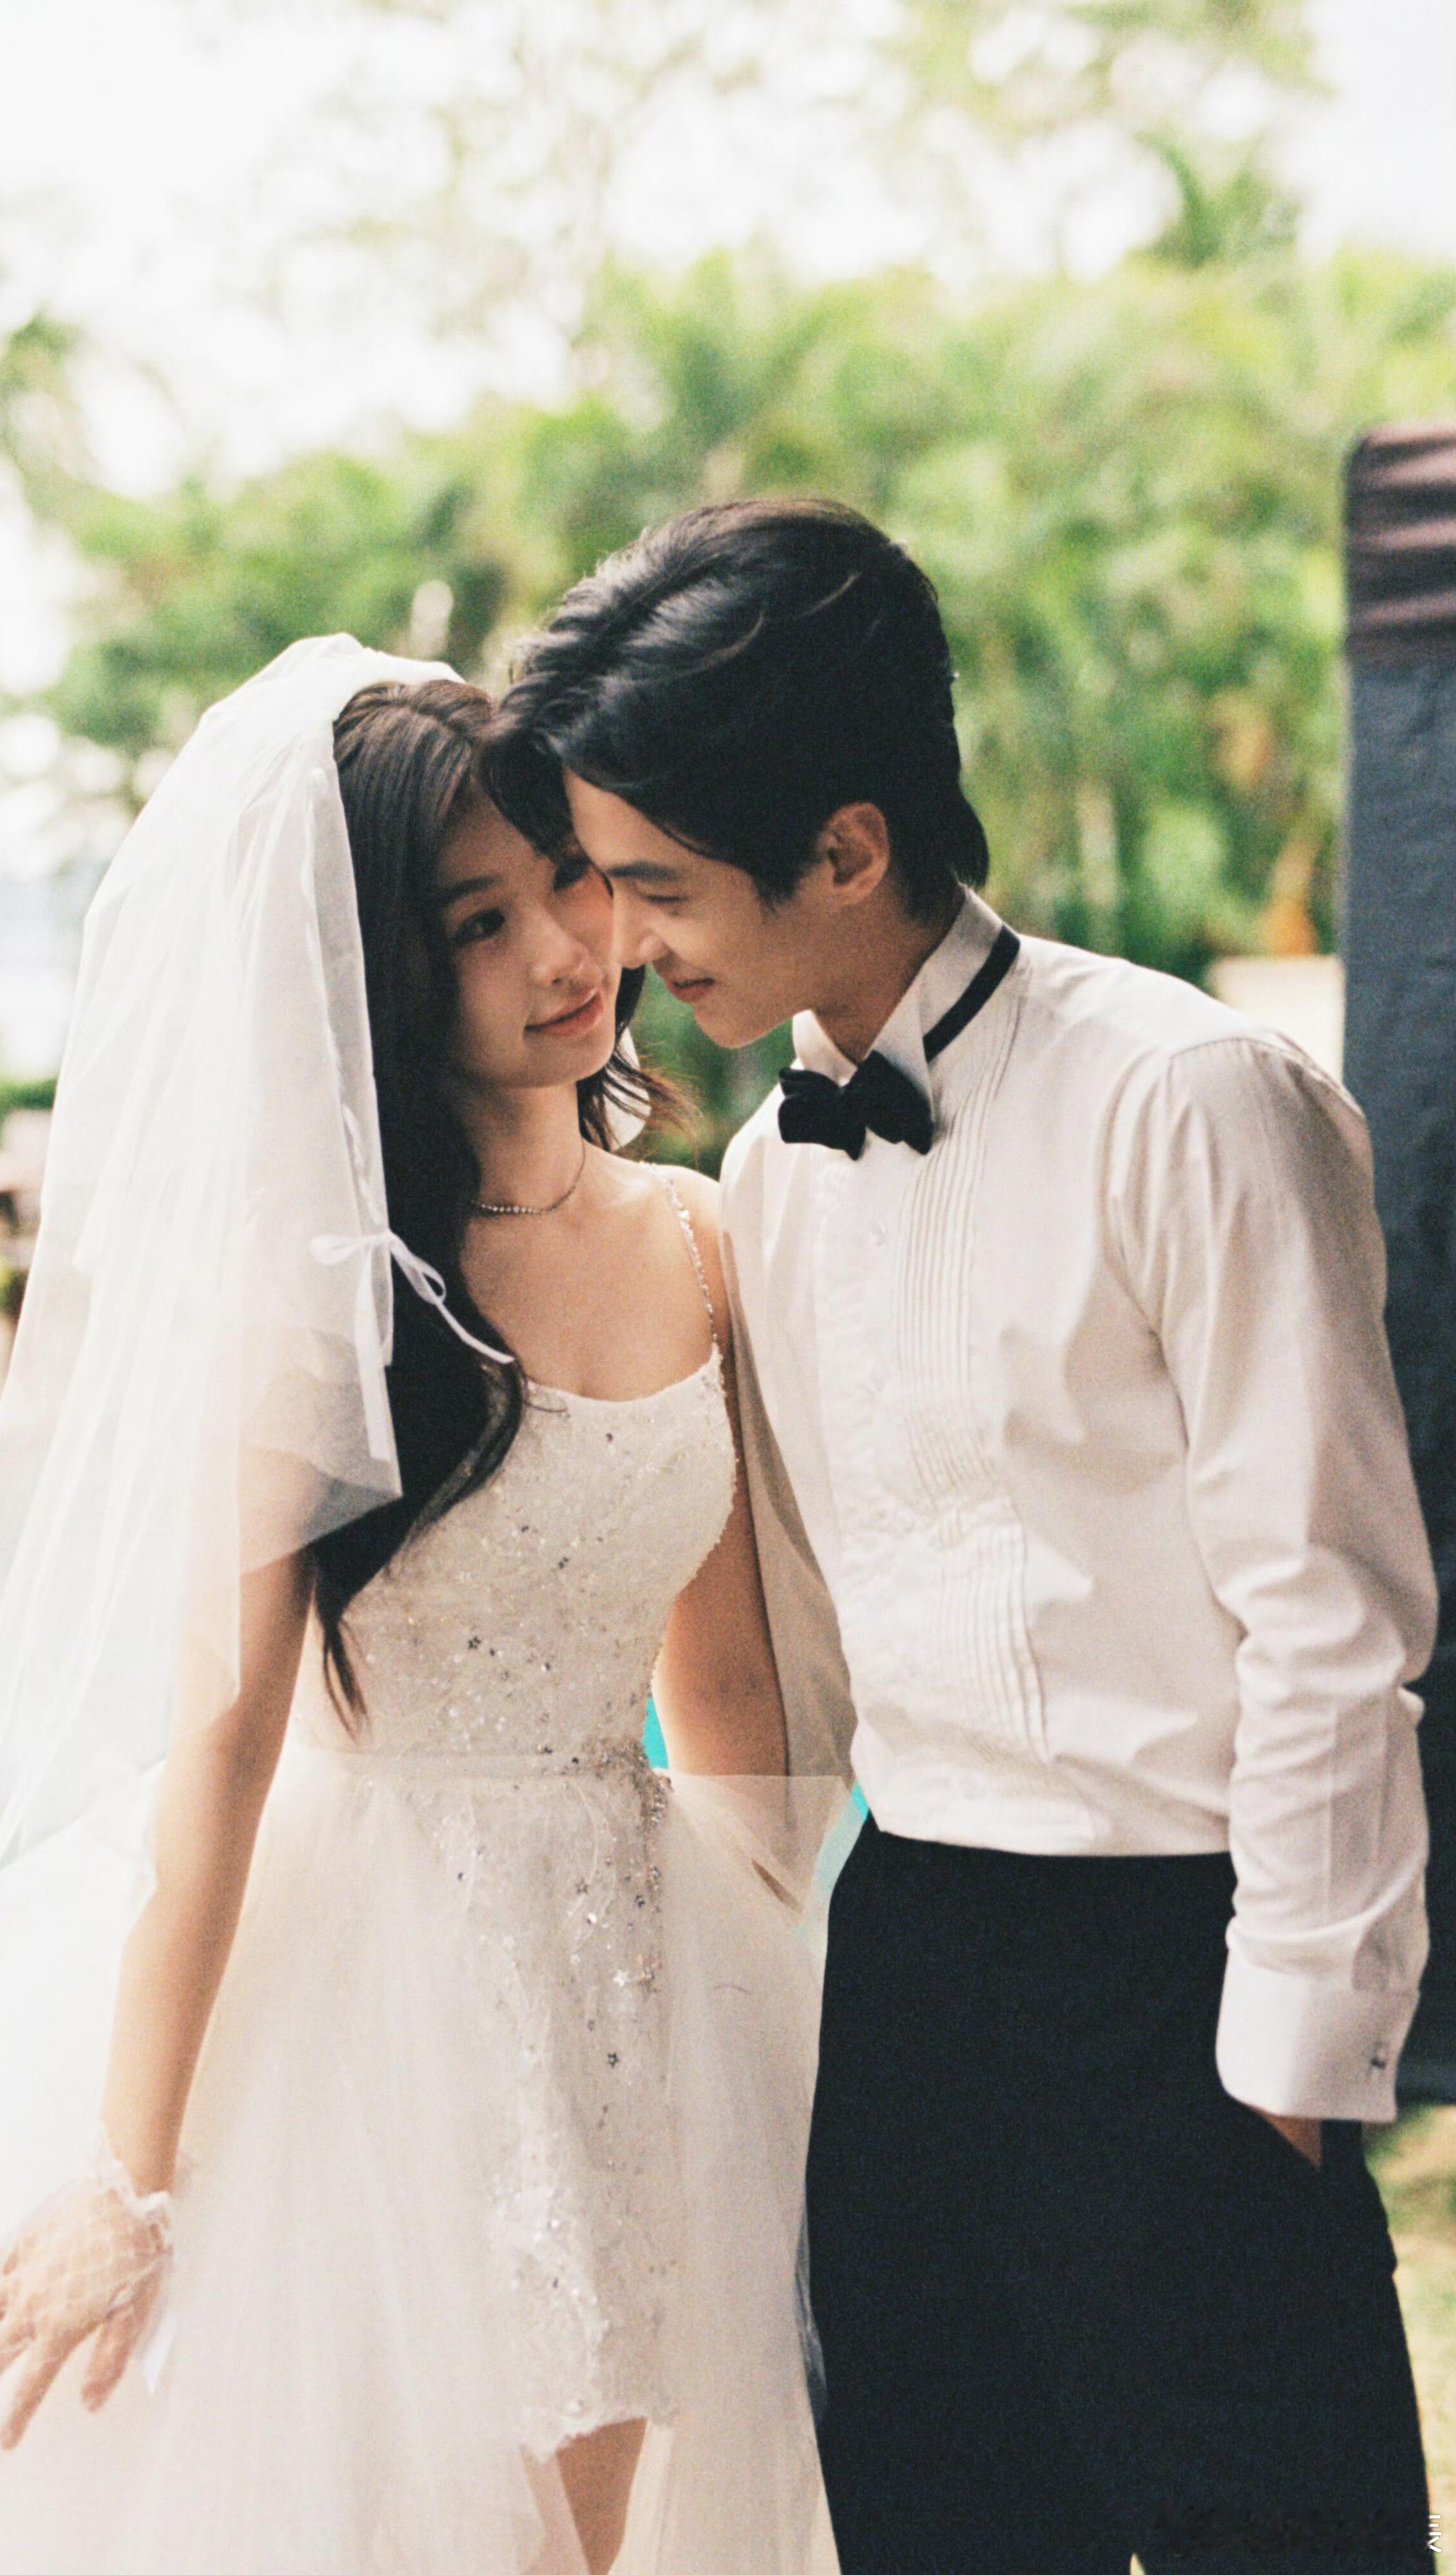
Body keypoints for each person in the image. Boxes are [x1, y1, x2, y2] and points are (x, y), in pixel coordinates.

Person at [0, 639, 840, 2575]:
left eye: (567, 880)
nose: (561, 950)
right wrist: (130, 2179)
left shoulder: (697, 1235)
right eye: (478, 922)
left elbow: (725, 1671)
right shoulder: (318, 1305)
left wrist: (787, 1995)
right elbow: (223, 1743)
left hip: (633, 1963)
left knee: (605, 2516)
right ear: (383, 972)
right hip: (362, 1983)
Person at [484, 498, 1440, 2574]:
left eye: (660, 886)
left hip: (1177, 1971)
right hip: (908, 1963)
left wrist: (1284, 2071)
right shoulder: (768, 1174)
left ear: (845, 848)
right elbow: (802, 1633)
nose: (623, 942)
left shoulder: (1194, 1100)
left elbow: (1331, 1618)